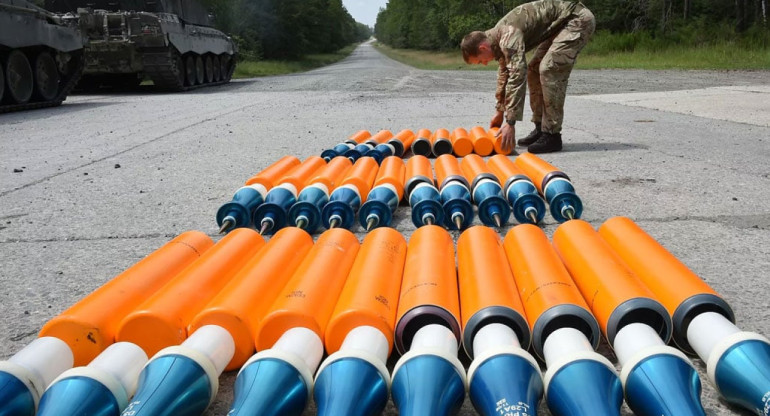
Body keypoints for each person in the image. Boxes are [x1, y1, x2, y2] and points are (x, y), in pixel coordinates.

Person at [461, 0, 595, 154]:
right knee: (534, 70)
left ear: (482, 47)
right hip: (561, 24)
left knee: (549, 69)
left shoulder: (507, 36)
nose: (484, 64)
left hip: (576, 19)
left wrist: (510, 123)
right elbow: (505, 74)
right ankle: (540, 128)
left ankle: (552, 135)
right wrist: (499, 110)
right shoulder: (496, 39)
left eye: (480, 60)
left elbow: (517, 75)